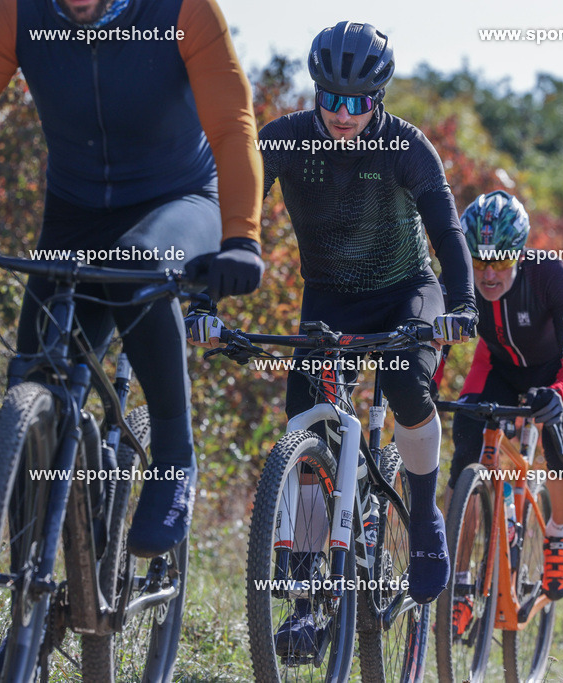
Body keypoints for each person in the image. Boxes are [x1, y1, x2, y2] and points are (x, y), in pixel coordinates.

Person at [0, 0, 264, 561]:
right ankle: (26, 622)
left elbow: (233, 126)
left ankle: (175, 457)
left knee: (135, 263)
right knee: (33, 383)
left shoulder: (184, 8)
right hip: (76, 214)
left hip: (180, 199)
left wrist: (241, 238)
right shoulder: (15, 12)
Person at [188, 20, 478, 654]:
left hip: (406, 290)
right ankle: (308, 596)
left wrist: (461, 304)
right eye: (331, 98)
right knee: (308, 430)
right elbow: (231, 219)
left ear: (379, 99)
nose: (343, 114)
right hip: (329, 297)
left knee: (404, 381)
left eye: (359, 102)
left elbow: (449, 232)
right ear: (314, 91)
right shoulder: (284, 142)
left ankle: (424, 515)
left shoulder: (406, 147)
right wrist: (202, 301)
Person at [448, 190, 563, 633]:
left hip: (561, 374)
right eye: (478, 262)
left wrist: (559, 391)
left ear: (521, 251)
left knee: (559, 440)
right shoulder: (458, 277)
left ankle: (558, 534)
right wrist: (422, 391)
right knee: (465, 456)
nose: (488, 274)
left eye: (501, 261)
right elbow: (435, 345)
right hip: (500, 371)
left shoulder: (551, 276)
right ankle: (459, 586)